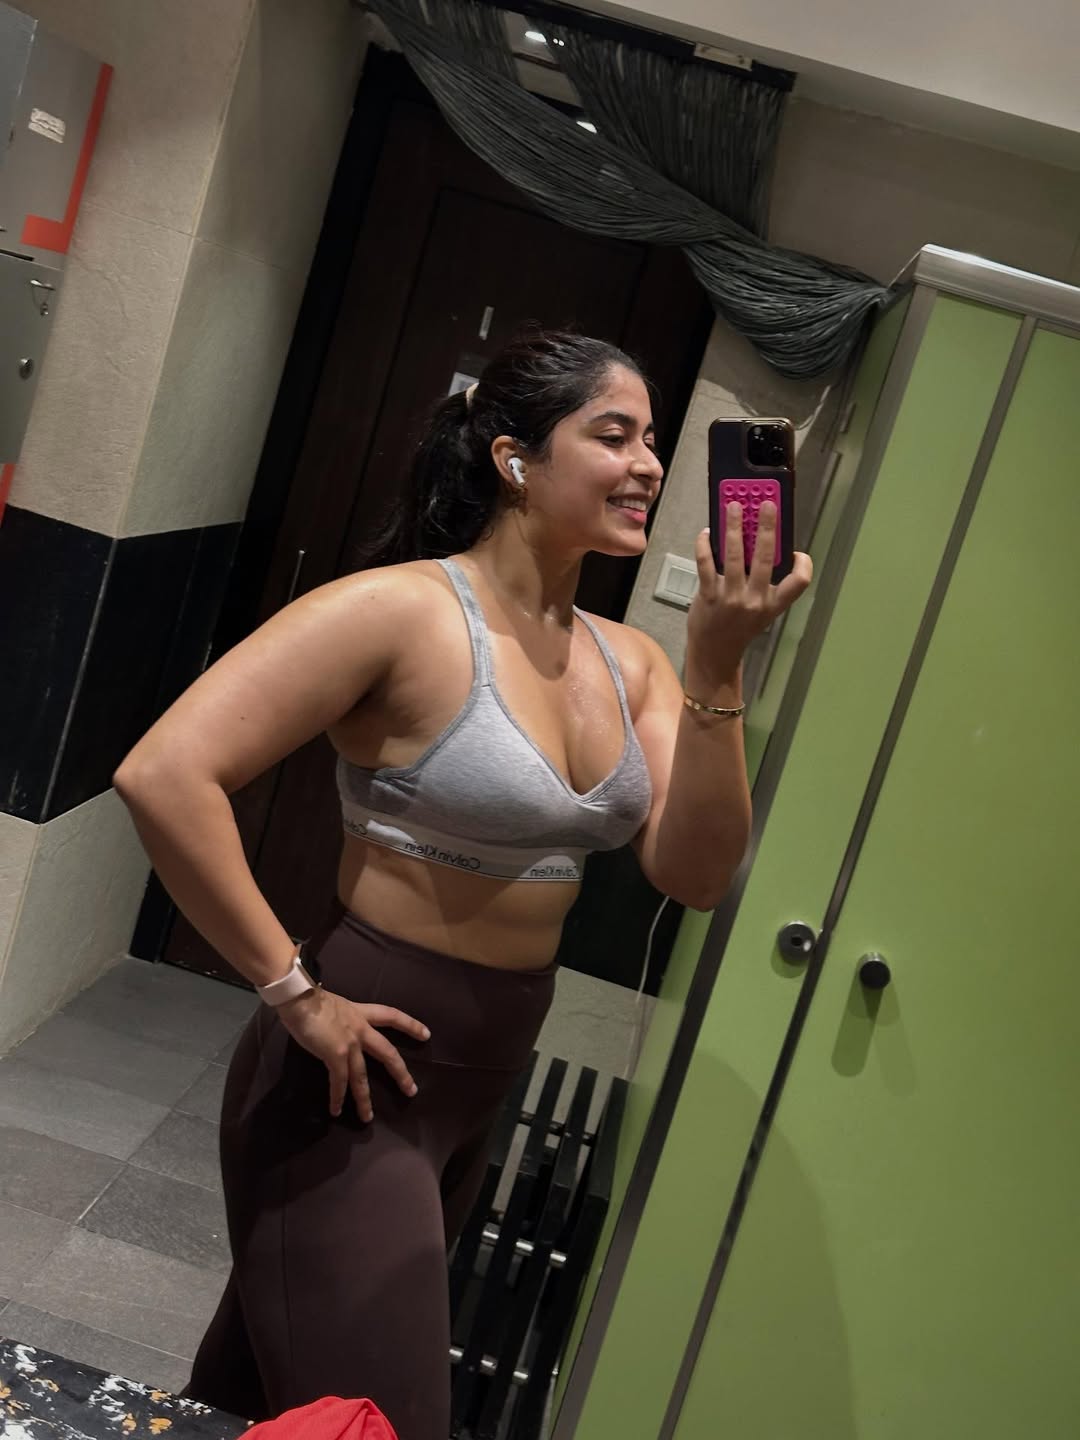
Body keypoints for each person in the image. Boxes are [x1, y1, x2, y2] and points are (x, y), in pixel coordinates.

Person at [113, 331, 811, 1440]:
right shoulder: (396, 612)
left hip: (481, 1081)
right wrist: (295, 992)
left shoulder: (632, 661)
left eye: (653, 441)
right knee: (382, 1422)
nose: (648, 465)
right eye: (614, 435)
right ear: (514, 458)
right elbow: (164, 773)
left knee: (252, 1400)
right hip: (354, 1077)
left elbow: (697, 872)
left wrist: (719, 664)